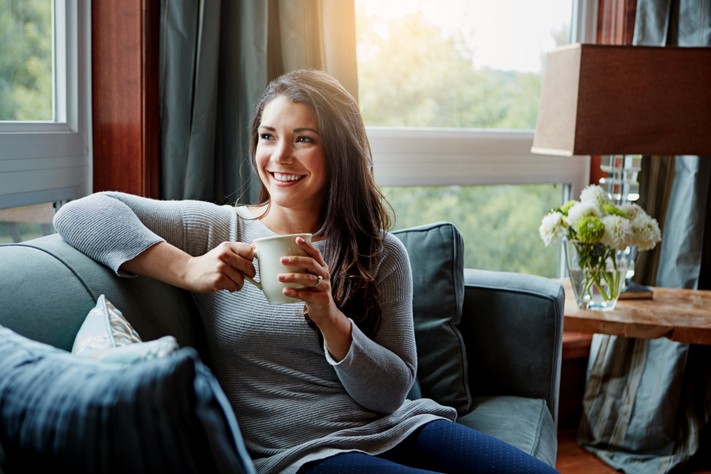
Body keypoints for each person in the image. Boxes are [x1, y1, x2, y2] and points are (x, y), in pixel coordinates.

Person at [53, 69, 557, 474]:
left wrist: (328, 315)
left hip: (402, 428)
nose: (279, 156)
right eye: (267, 136)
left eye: (303, 139)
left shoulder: (379, 253)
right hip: (304, 453)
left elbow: (389, 395)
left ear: (337, 152)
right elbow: (80, 214)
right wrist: (189, 269)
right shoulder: (218, 228)